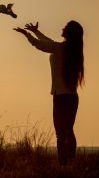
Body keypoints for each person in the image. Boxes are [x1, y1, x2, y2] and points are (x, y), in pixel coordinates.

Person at [14, 21, 84, 166]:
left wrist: (27, 34)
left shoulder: (61, 49)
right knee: (69, 130)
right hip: (71, 97)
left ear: (69, 33)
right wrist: (36, 32)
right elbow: (50, 43)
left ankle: (63, 163)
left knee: (60, 133)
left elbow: (42, 45)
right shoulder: (71, 50)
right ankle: (71, 161)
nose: (62, 28)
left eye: (65, 27)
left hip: (61, 97)